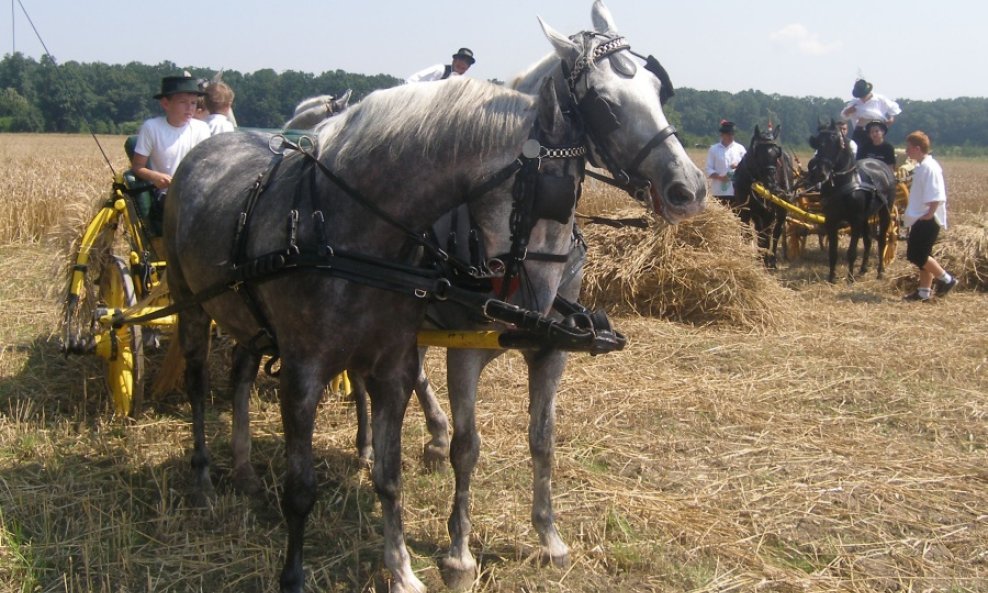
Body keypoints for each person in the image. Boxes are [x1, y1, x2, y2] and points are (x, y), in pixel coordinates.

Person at [131, 75, 211, 239]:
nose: (189, 108)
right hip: (165, 195)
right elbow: (137, 166)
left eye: (193, 103)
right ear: (166, 103)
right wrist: (155, 176)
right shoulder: (152, 128)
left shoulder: (202, 129)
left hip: (196, 191)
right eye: (183, 102)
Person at [901, 131, 957, 301]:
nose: (906, 151)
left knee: (916, 255)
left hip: (927, 218)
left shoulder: (929, 167)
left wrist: (929, 214)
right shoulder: (922, 166)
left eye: (909, 148)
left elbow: (937, 195)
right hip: (922, 216)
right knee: (924, 254)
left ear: (917, 148)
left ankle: (947, 279)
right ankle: (923, 292)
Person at [841, 79, 901, 150]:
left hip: (876, 131)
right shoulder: (855, 102)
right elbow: (844, 115)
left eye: (863, 95)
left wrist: (891, 118)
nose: (862, 98)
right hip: (861, 131)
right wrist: (848, 111)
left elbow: (893, 108)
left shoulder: (879, 99)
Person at [705, 119, 746, 206]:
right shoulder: (713, 149)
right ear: (722, 135)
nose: (731, 136)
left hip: (737, 191)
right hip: (719, 192)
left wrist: (738, 165)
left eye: (732, 134)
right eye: (728, 134)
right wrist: (720, 177)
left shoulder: (740, 149)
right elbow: (708, 169)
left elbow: (748, 167)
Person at [406, 48, 475, 83]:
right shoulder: (440, 70)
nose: (463, 63)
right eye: (461, 59)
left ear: (468, 67)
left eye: (467, 62)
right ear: (454, 60)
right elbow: (412, 80)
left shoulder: (462, 82)